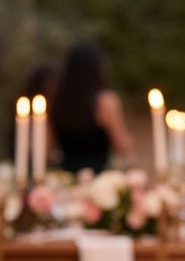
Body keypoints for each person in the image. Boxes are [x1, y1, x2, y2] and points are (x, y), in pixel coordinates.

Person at [50, 42, 133, 173]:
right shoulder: (106, 102)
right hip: (99, 180)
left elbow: (49, 148)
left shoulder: (58, 101)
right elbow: (121, 145)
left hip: (66, 179)